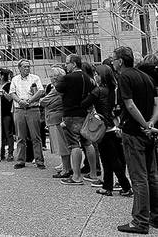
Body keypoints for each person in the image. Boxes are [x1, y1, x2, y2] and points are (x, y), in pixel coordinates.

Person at [112, 47, 158, 234]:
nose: (113, 62)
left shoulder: (124, 77)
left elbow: (129, 105)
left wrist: (145, 125)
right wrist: (151, 123)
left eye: (113, 59)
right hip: (147, 131)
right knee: (152, 177)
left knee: (139, 178)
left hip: (134, 132)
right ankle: (155, 216)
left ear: (120, 61)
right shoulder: (145, 77)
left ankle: (140, 221)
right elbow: (156, 103)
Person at [88, 64, 132, 197]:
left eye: (97, 74)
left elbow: (84, 103)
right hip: (113, 126)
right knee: (109, 158)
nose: (95, 76)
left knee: (111, 159)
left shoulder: (98, 90)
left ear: (102, 76)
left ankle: (125, 186)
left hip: (103, 128)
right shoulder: (114, 89)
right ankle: (107, 186)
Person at [55, 54, 99, 184]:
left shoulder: (68, 78)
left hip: (71, 113)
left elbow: (58, 89)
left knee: (74, 144)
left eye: (67, 63)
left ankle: (77, 176)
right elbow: (95, 92)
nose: (65, 65)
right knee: (87, 143)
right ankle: (93, 173)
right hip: (84, 113)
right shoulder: (88, 77)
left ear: (74, 64)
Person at [9, 59, 45, 169]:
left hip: (32, 108)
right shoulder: (15, 79)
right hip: (19, 109)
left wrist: (29, 101)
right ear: (19, 68)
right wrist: (20, 101)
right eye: (24, 66)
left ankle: (39, 161)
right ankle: (20, 160)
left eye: (28, 66)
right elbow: (12, 93)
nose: (27, 68)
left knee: (36, 136)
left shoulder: (35, 78)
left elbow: (40, 91)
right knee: (20, 136)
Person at [40, 67, 71, 176]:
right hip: (56, 116)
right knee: (61, 144)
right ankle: (65, 165)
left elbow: (44, 101)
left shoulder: (57, 88)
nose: (50, 78)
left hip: (56, 117)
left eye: (52, 76)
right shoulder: (56, 87)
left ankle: (66, 169)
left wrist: (43, 100)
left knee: (62, 144)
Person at [0, 69, 15, 162]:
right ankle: (1, 153)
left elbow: (10, 98)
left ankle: (10, 153)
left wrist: (3, 93)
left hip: (6, 112)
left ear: (2, 76)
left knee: (8, 133)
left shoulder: (9, 85)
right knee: (0, 134)